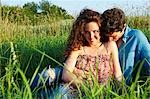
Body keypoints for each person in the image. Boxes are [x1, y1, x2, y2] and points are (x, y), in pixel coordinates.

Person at [31, 8, 123, 98]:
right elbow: (66, 74)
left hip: (99, 90)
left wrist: (121, 91)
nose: (91, 36)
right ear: (82, 32)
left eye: (95, 31)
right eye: (87, 32)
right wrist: (84, 86)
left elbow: (117, 73)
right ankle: (28, 89)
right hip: (73, 87)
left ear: (101, 30)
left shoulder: (110, 46)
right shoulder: (79, 47)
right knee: (51, 82)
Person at [100, 8, 150, 84]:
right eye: (107, 36)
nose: (110, 40)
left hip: (129, 87)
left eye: (114, 37)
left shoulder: (136, 37)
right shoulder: (102, 37)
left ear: (123, 27)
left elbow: (148, 61)